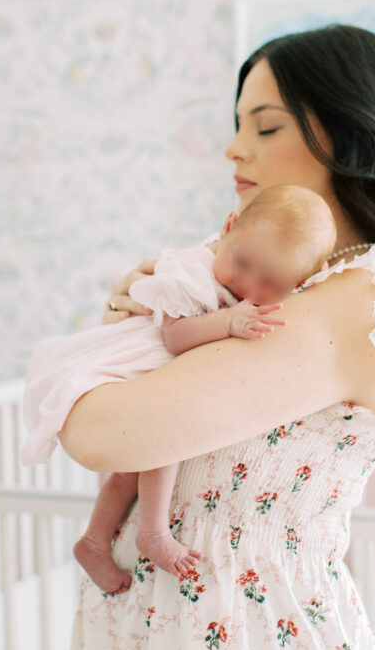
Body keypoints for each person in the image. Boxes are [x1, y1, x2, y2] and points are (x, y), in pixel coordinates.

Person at [49, 24, 375, 650]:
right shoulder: (276, 281)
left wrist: (120, 325)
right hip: (165, 631)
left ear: (344, 135)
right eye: (238, 123)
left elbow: (103, 430)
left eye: (265, 126)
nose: (234, 148)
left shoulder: (344, 304)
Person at [21, 185, 336, 593]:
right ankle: (152, 533)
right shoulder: (190, 273)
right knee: (164, 443)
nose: (247, 284)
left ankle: (94, 541)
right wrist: (228, 322)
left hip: (160, 369)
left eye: (270, 283)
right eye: (241, 263)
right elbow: (174, 337)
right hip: (145, 357)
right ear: (228, 227)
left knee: (130, 472)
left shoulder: (253, 275)